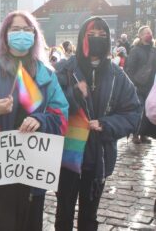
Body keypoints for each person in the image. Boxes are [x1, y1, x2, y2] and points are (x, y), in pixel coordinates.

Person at [0, 10, 69, 231]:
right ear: (5, 35)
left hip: (35, 171)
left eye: (27, 29)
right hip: (0, 173)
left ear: (34, 35)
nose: (22, 33)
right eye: (15, 29)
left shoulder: (47, 75)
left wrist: (40, 120)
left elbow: (61, 118)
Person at [55, 17, 141, 231]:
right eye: (92, 35)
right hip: (66, 156)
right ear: (83, 37)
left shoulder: (116, 74)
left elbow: (133, 111)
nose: (97, 39)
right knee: (63, 212)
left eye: (103, 36)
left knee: (89, 217)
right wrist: (74, 94)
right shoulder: (65, 68)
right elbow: (50, 104)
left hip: (98, 157)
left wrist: (106, 125)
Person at [125, 25, 156, 144]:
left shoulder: (154, 50)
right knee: (139, 110)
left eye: (150, 32)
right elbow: (129, 69)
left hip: (150, 86)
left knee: (148, 111)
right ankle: (135, 134)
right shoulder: (135, 50)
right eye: (146, 33)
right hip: (138, 85)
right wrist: (133, 84)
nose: (149, 34)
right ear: (140, 36)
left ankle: (144, 134)